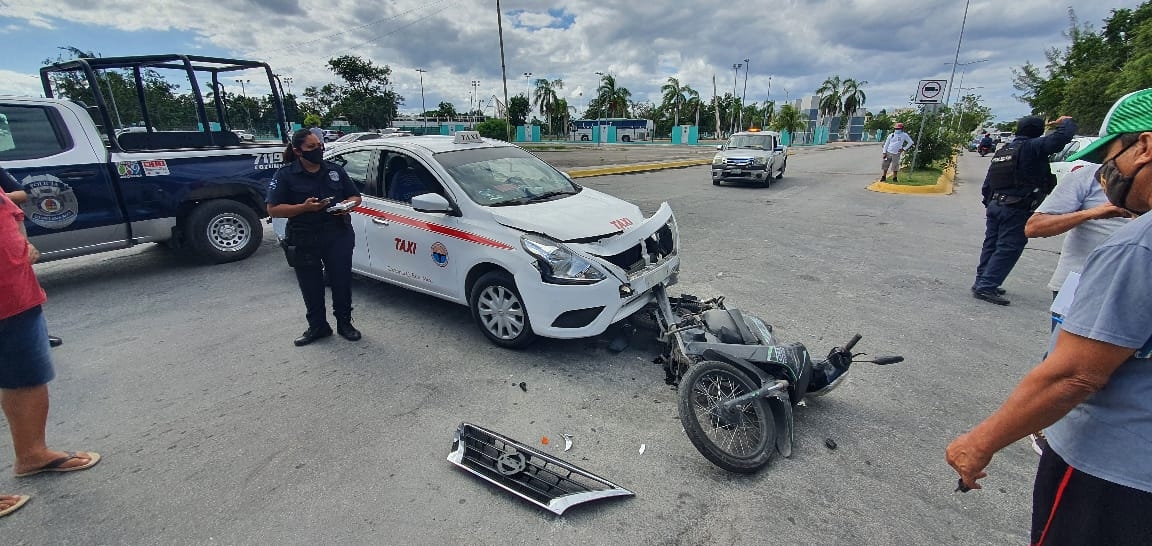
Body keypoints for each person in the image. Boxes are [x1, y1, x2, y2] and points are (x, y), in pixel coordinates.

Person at [946, 88, 1152, 545]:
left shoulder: (1139, 244)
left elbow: (1074, 376)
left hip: (1113, 471)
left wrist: (979, 443)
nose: (1107, 171)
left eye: (1112, 154)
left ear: (1145, 146)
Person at [1, 188, 101, 519]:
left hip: (16, 294)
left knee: (28, 376)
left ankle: (32, 454)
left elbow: (12, 209)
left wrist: (19, 244)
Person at [267, 129, 363, 346]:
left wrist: (346, 206)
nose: (318, 149)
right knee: (311, 285)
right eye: (311, 147)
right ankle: (318, 327)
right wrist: (304, 208)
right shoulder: (285, 175)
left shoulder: (335, 171)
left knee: (341, 282)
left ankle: (345, 324)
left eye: (319, 145)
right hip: (304, 237)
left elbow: (355, 196)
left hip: (337, 233)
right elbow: (273, 209)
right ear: (298, 151)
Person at [971, 115, 1076, 305]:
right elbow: (1062, 138)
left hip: (997, 204)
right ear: (1037, 132)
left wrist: (991, 204)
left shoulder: (1004, 150)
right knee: (1008, 247)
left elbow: (989, 182)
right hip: (1016, 207)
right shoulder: (1032, 147)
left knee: (992, 245)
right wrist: (1065, 122)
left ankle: (983, 281)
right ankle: (986, 285)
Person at [1, 167, 62, 349]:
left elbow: (23, 194)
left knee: (25, 291)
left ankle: (38, 335)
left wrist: (5, 198)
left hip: (11, 240)